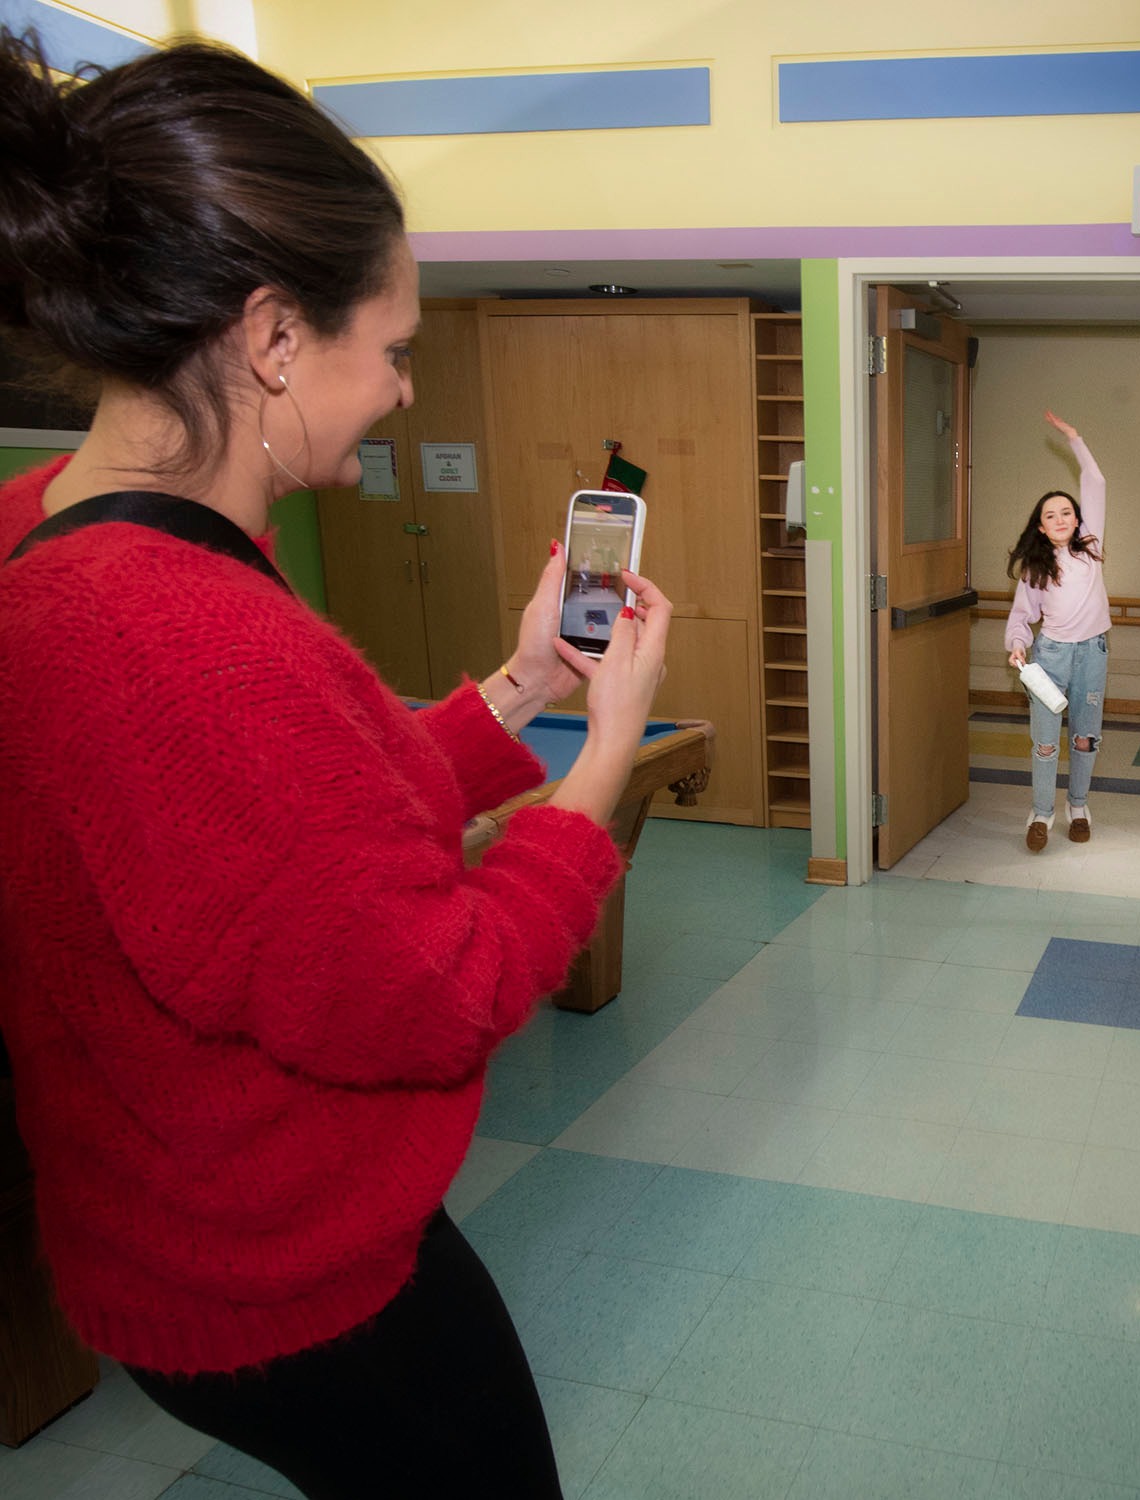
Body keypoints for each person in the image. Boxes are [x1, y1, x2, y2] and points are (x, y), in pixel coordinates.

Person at [0, 31, 672, 1500]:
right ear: (276, 338)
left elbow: (286, 837)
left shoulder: (47, 537)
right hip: (286, 1288)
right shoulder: (193, 639)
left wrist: (525, 684)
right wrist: (602, 758)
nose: (407, 394)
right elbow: (440, 992)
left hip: (162, 1241)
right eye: (398, 346)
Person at [1005, 411, 1110, 852]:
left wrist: (1075, 438)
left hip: (1092, 654)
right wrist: (1016, 646)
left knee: (1084, 738)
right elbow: (1020, 617)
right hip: (1049, 658)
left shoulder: (1091, 547)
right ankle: (1042, 813)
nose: (1062, 518)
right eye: (1052, 515)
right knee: (1046, 744)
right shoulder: (1035, 567)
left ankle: (1079, 807)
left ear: (1077, 519)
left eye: (1068, 511)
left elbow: (1096, 482)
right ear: (1041, 527)